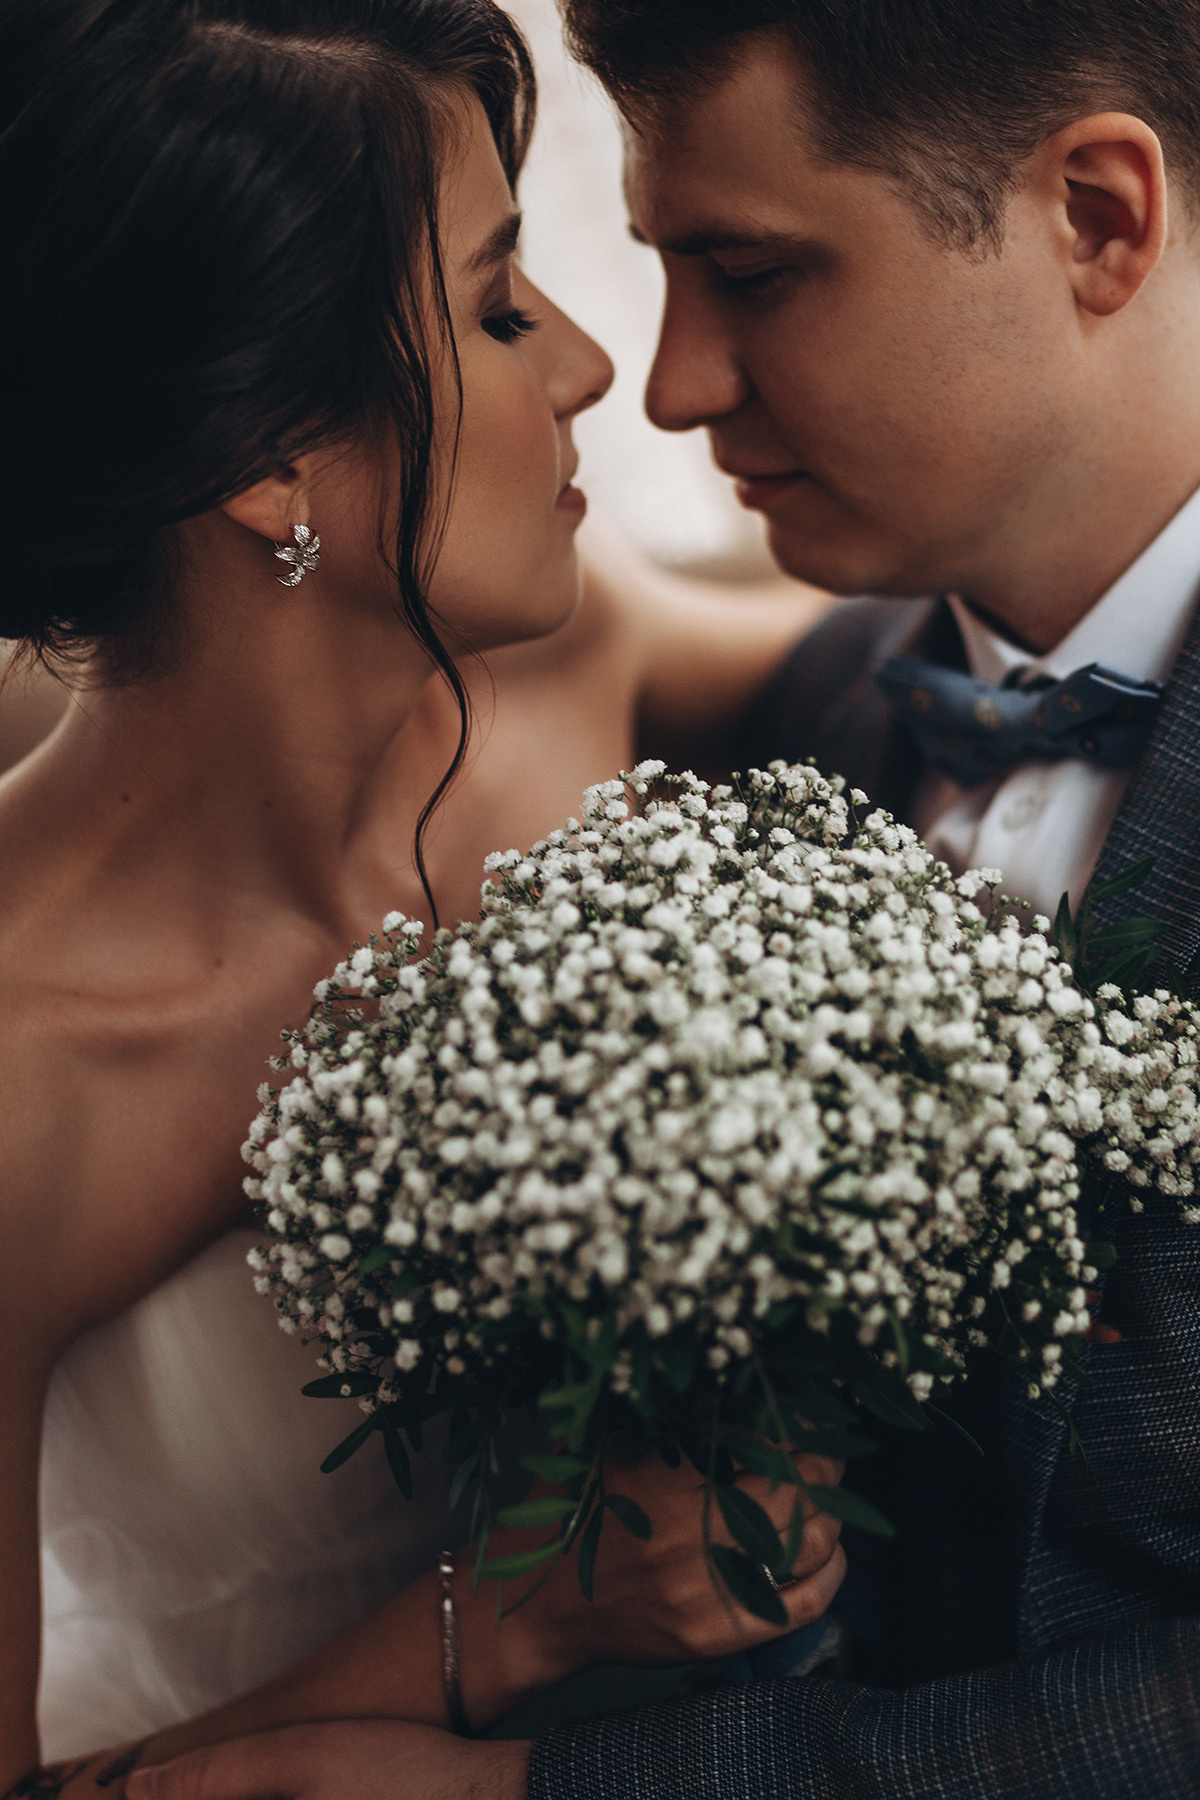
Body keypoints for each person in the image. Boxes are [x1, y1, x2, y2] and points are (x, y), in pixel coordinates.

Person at [132, 0, 1200, 1795]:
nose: (673, 383)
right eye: (657, 269)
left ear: (1096, 218)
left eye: (755, 274)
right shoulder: (800, 726)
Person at [0, 3, 845, 1797]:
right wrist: (503, 1622)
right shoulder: (24, 1074)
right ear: (270, 461)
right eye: (496, 308)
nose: (594, 367)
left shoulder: (574, 663)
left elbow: (937, 700)